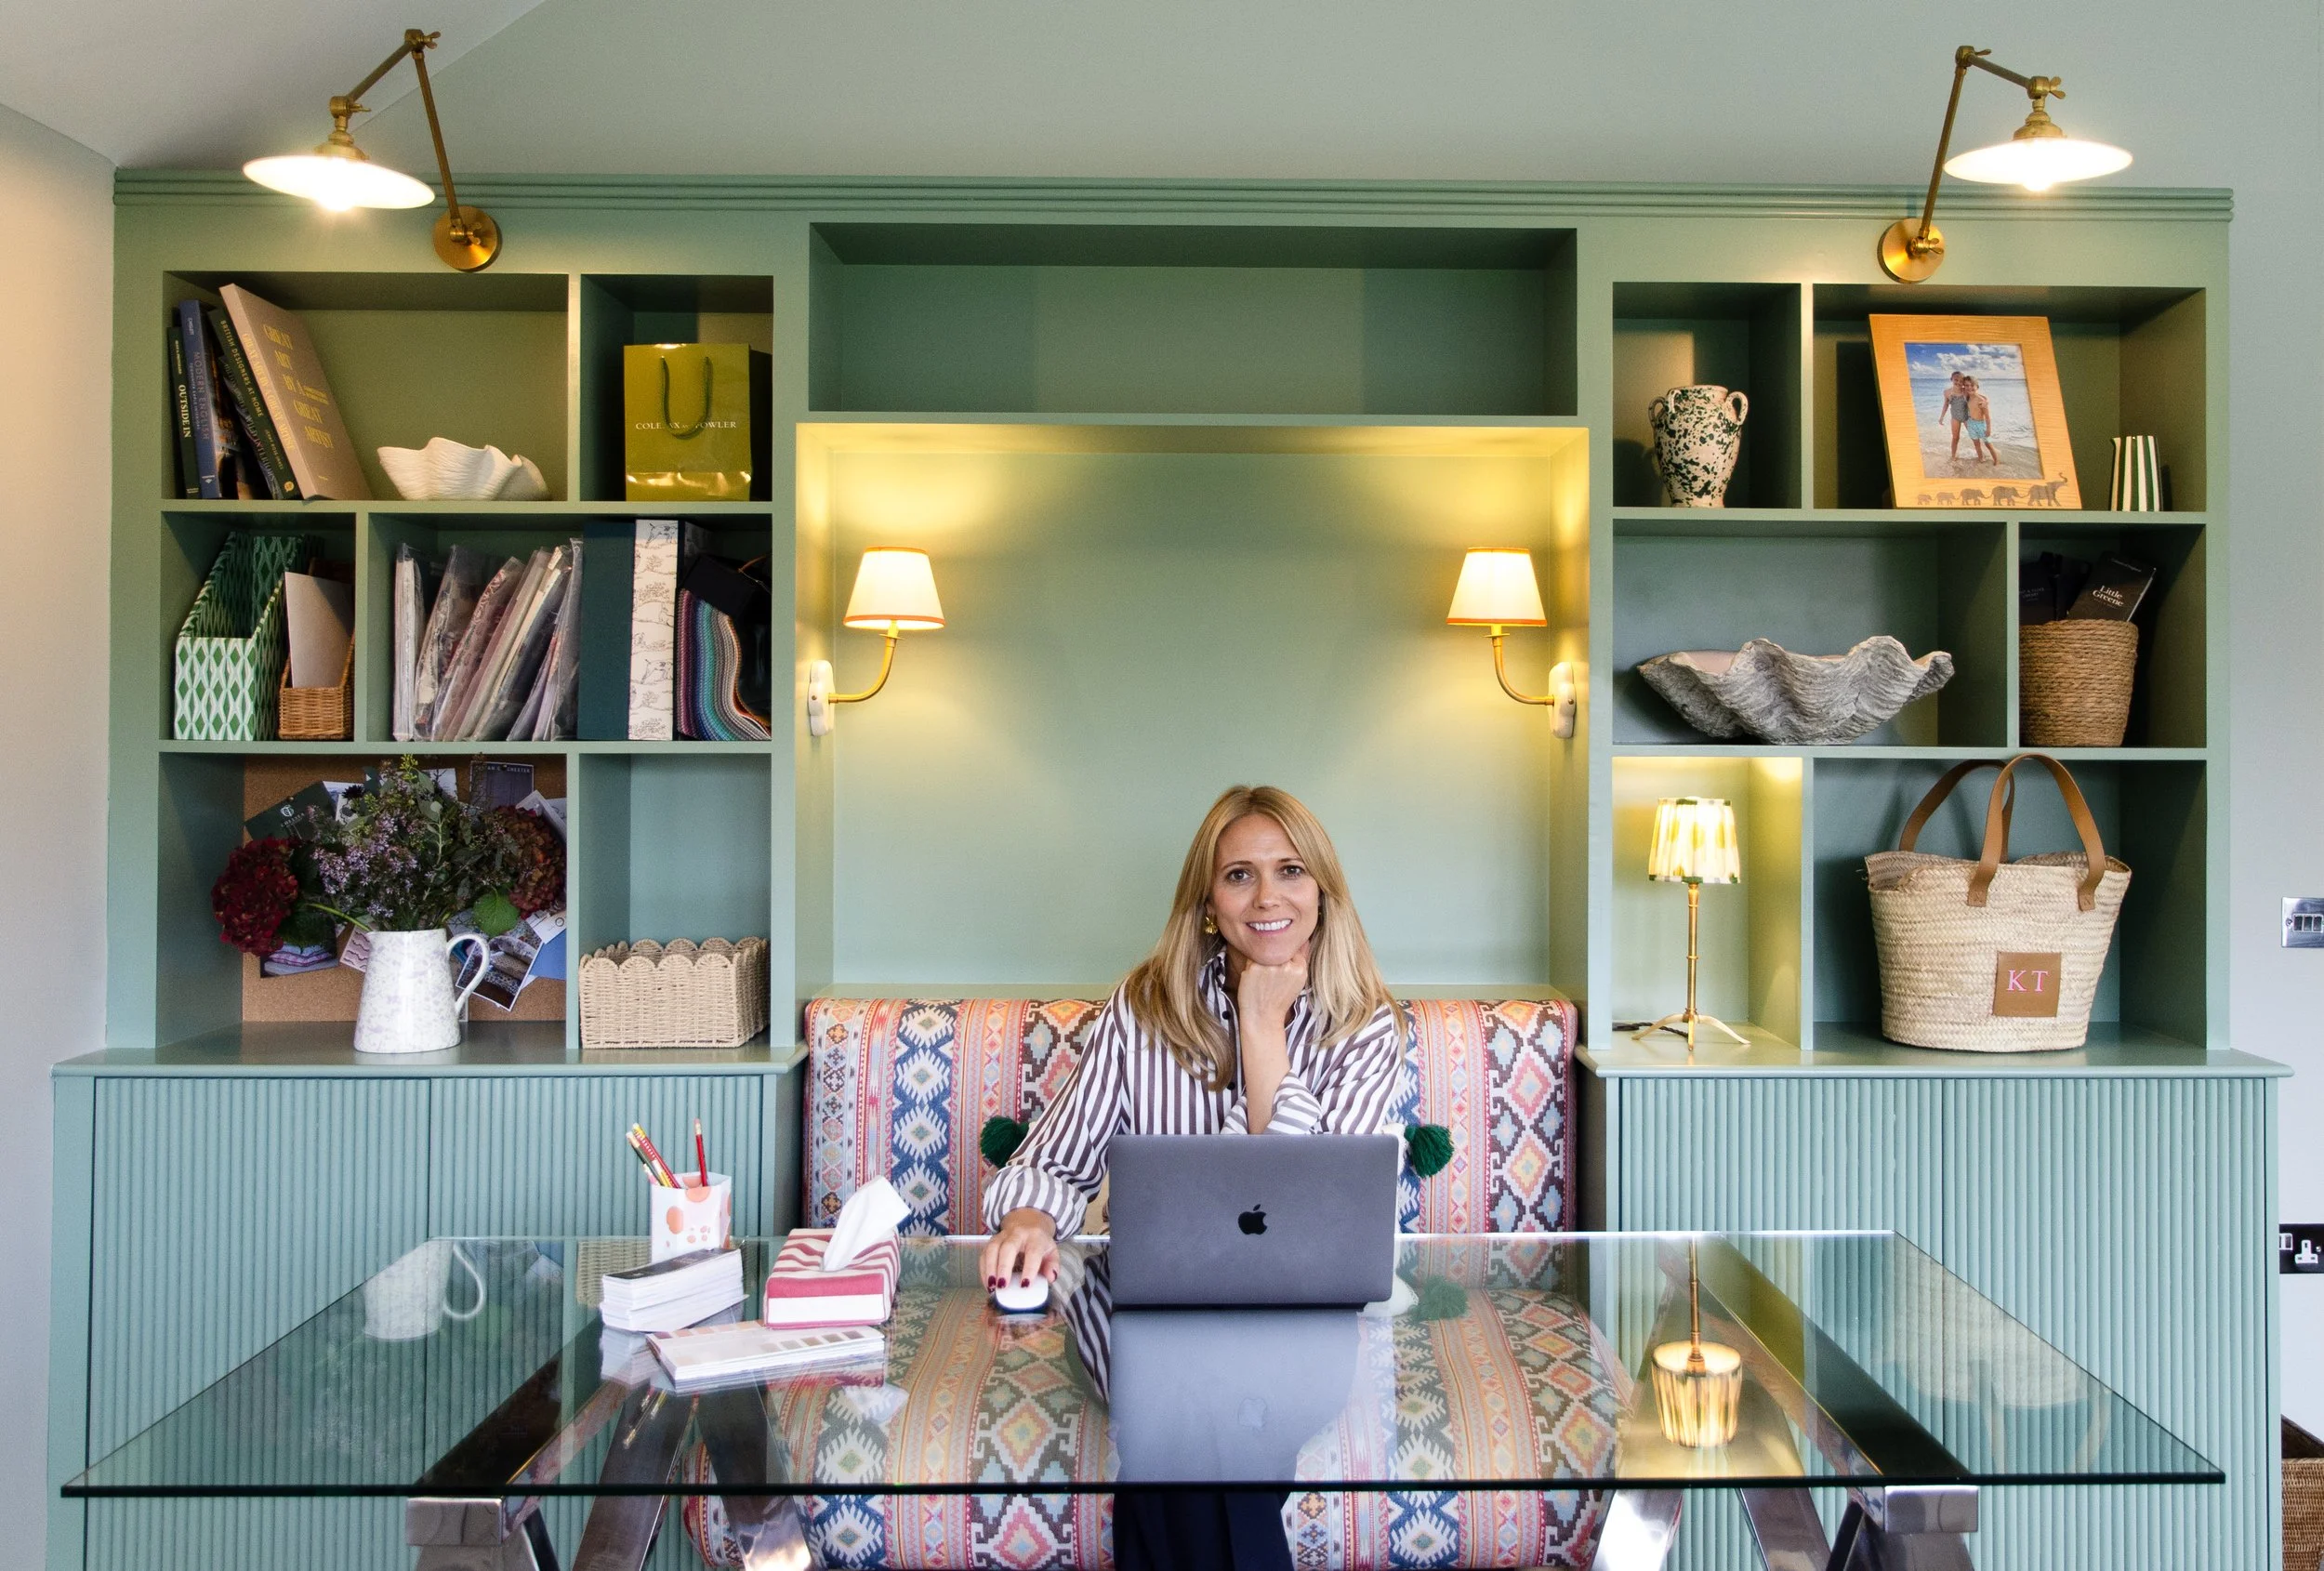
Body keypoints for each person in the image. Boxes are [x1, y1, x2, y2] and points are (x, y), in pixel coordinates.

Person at [979, 784, 1405, 1571]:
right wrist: (1032, 1218)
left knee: (1182, 1428)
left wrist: (1260, 1025)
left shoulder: (1364, 1024)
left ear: (1323, 892)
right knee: (1198, 1416)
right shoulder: (1144, 1007)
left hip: (1303, 1324)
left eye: (1291, 871)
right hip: (1150, 1309)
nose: (1268, 895)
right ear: (1209, 901)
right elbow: (1051, 1158)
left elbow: (1304, 1206)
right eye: (1240, 875)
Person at [1963, 376, 1998, 466]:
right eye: (1967, 385)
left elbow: (1987, 417)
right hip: (1971, 423)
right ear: (1964, 387)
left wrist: (1989, 429)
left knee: (1988, 444)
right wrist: (1966, 423)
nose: (1969, 387)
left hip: (1981, 425)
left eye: (1972, 385)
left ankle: (1996, 462)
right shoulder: (1967, 397)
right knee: (1976, 444)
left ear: (1977, 387)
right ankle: (1981, 459)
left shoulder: (1981, 401)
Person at [1938, 370, 1971, 464]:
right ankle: (1953, 456)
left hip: (1966, 417)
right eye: (1956, 380)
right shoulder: (1947, 392)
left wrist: (1985, 403)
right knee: (1955, 437)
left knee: (1974, 436)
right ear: (1951, 379)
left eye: (1961, 381)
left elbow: (1976, 398)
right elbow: (1946, 405)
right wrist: (1941, 417)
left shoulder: (1966, 391)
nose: (1959, 382)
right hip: (1955, 417)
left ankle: (1981, 453)